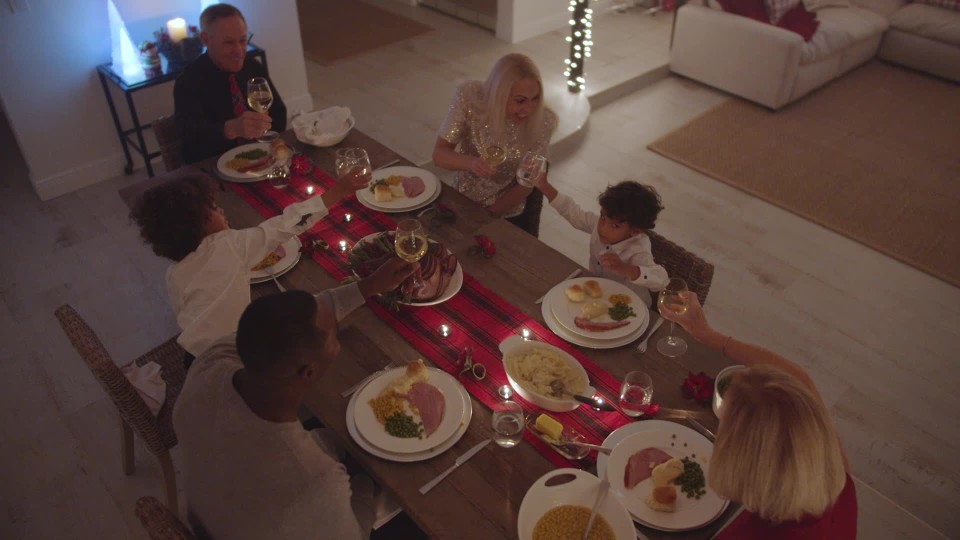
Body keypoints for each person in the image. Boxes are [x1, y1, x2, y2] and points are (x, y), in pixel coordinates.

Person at [174, 289, 410, 539]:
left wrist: (367, 286)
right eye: (333, 338)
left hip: (214, 512)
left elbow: (296, 321)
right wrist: (366, 481)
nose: (336, 339)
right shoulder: (312, 479)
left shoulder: (213, 360)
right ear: (309, 372)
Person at [660, 292, 857, 539]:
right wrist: (708, 335)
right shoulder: (836, 480)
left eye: (725, 430)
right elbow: (799, 378)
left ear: (743, 462)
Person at [130, 170, 371, 364]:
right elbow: (284, 226)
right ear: (196, 224)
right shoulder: (226, 245)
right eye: (213, 208)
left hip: (196, 359)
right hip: (236, 358)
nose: (221, 210)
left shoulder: (174, 272)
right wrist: (336, 192)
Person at [432, 53, 557, 227]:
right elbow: (439, 155)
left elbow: (526, 185)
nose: (528, 109)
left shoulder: (543, 121)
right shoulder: (470, 98)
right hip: (460, 201)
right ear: (499, 94)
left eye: (535, 99)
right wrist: (471, 163)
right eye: (520, 101)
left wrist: (486, 216)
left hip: (506, 215)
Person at [174, 3, 286, 164]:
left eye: (242, 40)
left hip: (262, 159)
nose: (239, 50)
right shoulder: (188, 82)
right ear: (205, 39)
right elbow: (191, 147)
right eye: (228, 43)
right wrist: (229, 129)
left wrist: (265, 130)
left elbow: (279, 114)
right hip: (215, 169)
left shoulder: (252, 66)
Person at [531, 176, 669, 305]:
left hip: (630, 304)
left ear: (635, 230)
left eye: (615, 225)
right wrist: (544, 186)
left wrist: (626, 268)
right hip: (598, 293)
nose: (603, 228)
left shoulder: (638, 249)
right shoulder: (598, 225)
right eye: (603, 217)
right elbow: (572, 211)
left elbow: (662, 280)